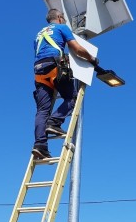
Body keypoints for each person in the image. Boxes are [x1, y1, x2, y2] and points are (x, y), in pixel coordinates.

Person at [32, 8, 99, 159]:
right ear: (60, 18)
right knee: (71, 98)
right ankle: (54, 122)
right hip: (54, 66)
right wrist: (91, 59)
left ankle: (40, 145)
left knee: (42, 110)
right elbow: (76, 49)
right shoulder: (62, 27)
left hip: (39, 71)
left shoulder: (38, 34)